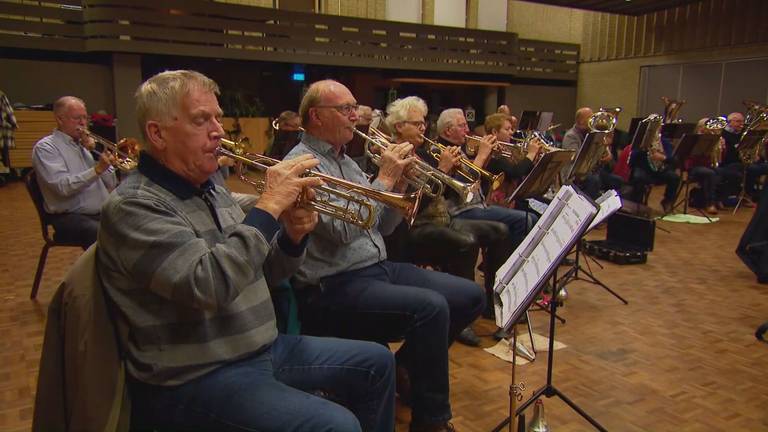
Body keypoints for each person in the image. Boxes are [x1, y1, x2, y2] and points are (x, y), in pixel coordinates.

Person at [97, 70, 395, 432]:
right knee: (335, 424)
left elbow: (265, 272)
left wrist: (292, 238)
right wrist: (268, 208)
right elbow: (207, 286)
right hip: (197, 373)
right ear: (157, 134)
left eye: (218, 117)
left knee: (377, 362)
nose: (218, 131)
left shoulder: (211, 188)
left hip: (260, 347)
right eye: (200, 120)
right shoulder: (134, 206)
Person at [286, 80, 484, 432]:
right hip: (334, 283)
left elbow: (386, 226)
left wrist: (403, 184)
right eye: (345, 109)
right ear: (315, 116)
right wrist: (385, 178)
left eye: (354, 107)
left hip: (376, 266)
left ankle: (408, 366)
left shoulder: (347, 161)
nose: (354, 116)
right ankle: (430, 421)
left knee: (470, 296)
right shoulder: (302, 165)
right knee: (431, 308)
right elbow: (346, 229)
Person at [387, 96, 511, 345]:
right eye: (416, 123)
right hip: (412, 227)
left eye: (424, 123)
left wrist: (453, 169)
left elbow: (454, 193)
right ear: (399, 126)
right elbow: (410, 205)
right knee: (464, 241)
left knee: (500, 230)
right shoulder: (389, 154)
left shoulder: (423, 152)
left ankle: (492, 302)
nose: (423, 128)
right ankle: (461, 315)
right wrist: (443, 171)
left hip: (441, 219)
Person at [434, 108, 537, 248]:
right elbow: (457, 188)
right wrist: (481, 156)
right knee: (524, 220)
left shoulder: (460, 148)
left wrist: (489, 156)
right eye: (462, 125)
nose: (468, 129)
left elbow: (477, 177)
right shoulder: (439, 151)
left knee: (528, 218)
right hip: (460, 210)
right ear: (448, 131)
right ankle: (506, 265)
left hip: (477, 205)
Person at [32, 96, 118, 249]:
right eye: (77, 118)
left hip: (100, 213)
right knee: (101, 234)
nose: (83, 123)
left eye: (85, 118)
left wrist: (94, 152)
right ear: (60, 119)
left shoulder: (85, 146)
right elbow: (63, 188)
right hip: (69, 217)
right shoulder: (46, 148)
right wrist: (97, 170)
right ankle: (103, 272)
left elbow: (111, 183)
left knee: (137, 223)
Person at [562, 107, 624, 199]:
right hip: (575, 174)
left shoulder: (592, 133)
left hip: (590, 171)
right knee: (594, 180)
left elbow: (602, 158)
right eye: (590, 118)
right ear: (581, 121)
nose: (594, 120)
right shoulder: (571, 136)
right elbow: (577, 159)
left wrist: (606, 148)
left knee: (617, 181)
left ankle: (609, 206)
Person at [628, 124, 680, 213]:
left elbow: (674, 160)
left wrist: (662, 158)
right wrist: (643, 148)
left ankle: (667, 201)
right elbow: (632, 160)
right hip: (644, 170)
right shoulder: (641, 141)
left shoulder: (664, 142)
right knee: (638, 178)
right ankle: (638, 204)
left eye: (658, 128)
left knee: (674, 177)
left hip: (659, 171)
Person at [719, 112, 768, 205]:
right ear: (730, 122)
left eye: (742, 121)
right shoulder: (723, 133)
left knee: (765, 166)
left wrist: (756, 155)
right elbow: (729, 154)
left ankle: (762, 194)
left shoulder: (743, 134)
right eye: (738, 121)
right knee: (753, 169)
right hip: (730, 163)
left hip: (743, 162)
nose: (741, 124)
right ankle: (747, 195)